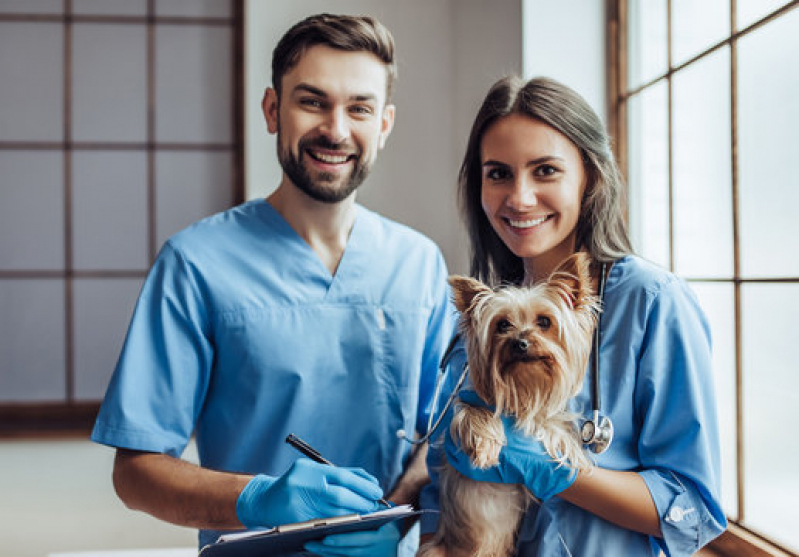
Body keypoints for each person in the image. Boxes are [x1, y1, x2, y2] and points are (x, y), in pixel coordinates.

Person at [91, 13, 454, 556]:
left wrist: (395, 515)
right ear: (271, 110)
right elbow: (135, 472)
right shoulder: (195, 264)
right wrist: (258, 499)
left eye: (359, 108)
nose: (335, 129)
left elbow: (443, 438)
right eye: (312, 101)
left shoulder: (419, 263)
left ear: (384, 124)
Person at [418, 75, 727, 556]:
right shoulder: (484, 321)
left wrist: (555, 469)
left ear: (591, 178)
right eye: (498, 173)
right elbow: (441, 503)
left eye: (545, 171)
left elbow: (690, 511)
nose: (519, 198)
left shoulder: (653, 303)